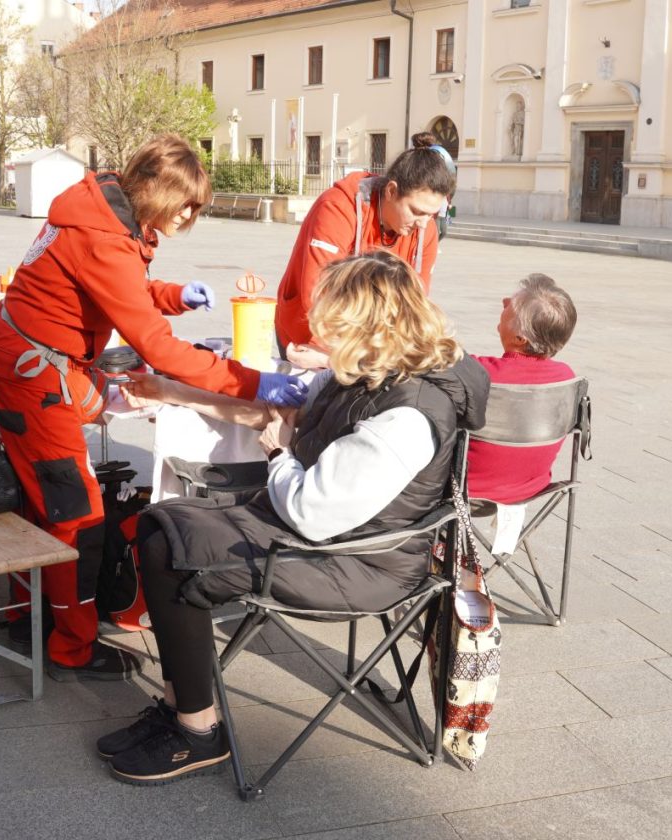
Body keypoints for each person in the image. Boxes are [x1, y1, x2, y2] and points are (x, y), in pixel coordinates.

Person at [97, 251, 490, 786]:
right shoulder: (370, 371)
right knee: (160, 524)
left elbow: (310, 509)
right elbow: (272, 414)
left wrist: (280, 454)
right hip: (320, 531)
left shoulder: (408, 414)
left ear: (369, 328)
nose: (318, 337)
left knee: (173, 549)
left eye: (332, 326)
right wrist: (173, 392)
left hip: (359, 561)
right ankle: (179, 708)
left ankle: (197, 730)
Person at [0, 133, 308, 683]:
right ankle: (71, 646)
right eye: (186, 203)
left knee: (44, 498)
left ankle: (29, 615)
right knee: (75, 511)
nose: (190, 215)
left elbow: (121, 289)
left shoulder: (102, 210)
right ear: (154, 190)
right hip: (33, 373)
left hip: (24, 358)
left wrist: (175, 296)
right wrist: (254, 383)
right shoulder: (104, 237)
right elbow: (158, 348)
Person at [274, 139, 455, 353]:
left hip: (373, 348)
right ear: (391, 191)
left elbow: (416, 301)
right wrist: (340, 356)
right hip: (312, 336)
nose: (423, 223)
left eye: (431, 214)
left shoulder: (426, 229)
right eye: (416, 211)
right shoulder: (338, 207)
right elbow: (316, 292)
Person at [466, 273, 578, 504]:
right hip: (531, 488)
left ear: (520, 338)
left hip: (464, 489)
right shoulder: (566, 377)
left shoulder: (477, 372)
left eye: (511, 304)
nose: (504, 302)